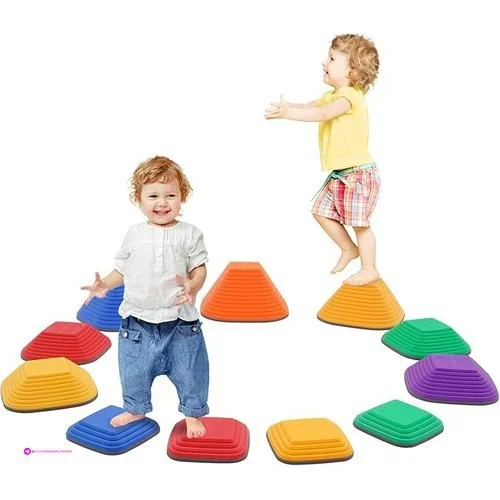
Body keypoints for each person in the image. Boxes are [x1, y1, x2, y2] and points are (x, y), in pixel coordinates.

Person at [81, 155, 209, 438]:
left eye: (170, 195)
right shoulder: (134, 233)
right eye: (153, 196)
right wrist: (105, 285)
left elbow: (199, 267)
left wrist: (193, 285)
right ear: (138, 199)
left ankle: (192, 413)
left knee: (191, 371)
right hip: (137, 322)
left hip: (180, 323)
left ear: (182, 197)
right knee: (133, 372)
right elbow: (122, 269)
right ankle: (135, 408)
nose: (162, 203)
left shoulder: (190, 234)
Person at [265, 34, 381, 286]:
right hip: (341, 175)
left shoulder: (349, 97)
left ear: (353, 69)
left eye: (331, 58)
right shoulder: (333, 95)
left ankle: (369, 268)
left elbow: (323, 114)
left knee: (360, 225)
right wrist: (289, 106)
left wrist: (288, 113)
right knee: (320, 211)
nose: (324, 62)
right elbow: (312, 106)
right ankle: (348, 248)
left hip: (357, 175)